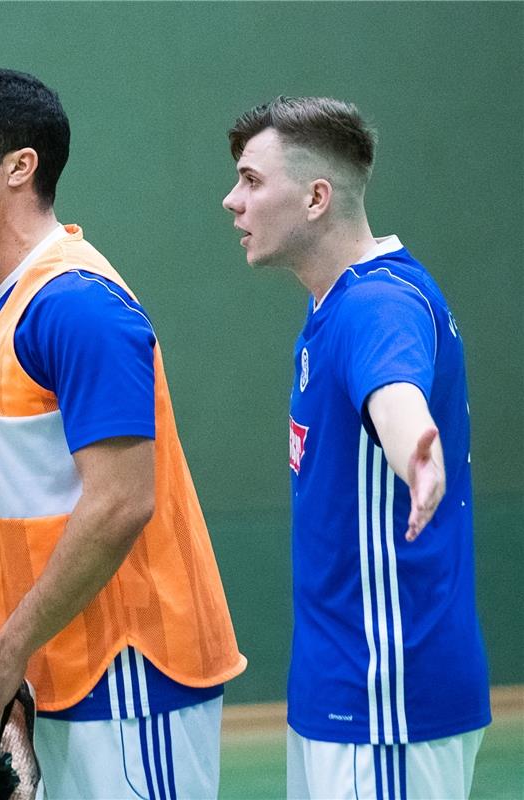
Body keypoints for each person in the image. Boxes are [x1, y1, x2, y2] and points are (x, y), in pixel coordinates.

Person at [0, 68, 246, 799]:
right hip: (43, 671)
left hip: (128, 679)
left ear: (18, 167)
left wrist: (9, 646)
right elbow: (39, 492)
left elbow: (119, 503)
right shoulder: (4, 302)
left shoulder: (77, 306)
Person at [222, 96, 490, 799]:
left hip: (388, 698)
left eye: (251, 181)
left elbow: (394, 394)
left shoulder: (377, 303)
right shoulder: (332, 306)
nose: (231, 200)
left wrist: (416, 455)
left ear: (315, 197)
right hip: (338, 694)